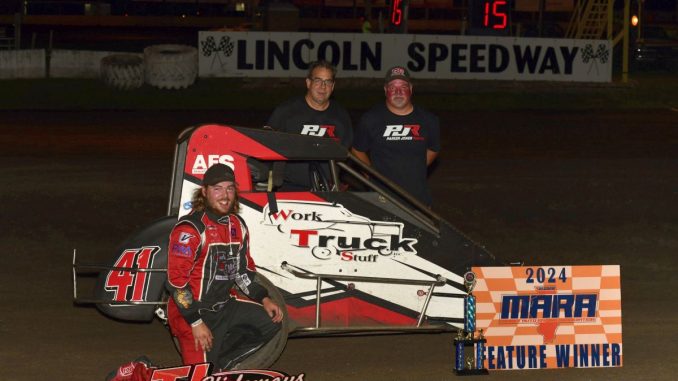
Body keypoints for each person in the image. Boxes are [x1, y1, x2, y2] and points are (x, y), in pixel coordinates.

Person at [166, 163, 283, 370]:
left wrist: (264, 298)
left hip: (223, 306)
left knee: (271, 320)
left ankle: (220, 366)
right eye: (217, 188)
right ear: (204, 192)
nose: (225, 195)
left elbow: (242, 272)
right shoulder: (190, 229)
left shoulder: (237, 225)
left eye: (230, 188)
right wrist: (195, 323)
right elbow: (177, 284)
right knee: (201, 375)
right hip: (191, 311)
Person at [351, 66, 440, 206]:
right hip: (381, 199)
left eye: (403, 86)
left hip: (418, 199)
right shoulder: (371, 119)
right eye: (393, 87)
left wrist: (415, 168)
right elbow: (357, 150)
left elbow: (433, 149)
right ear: (386, 90)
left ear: (411, 88)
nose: (398, 92)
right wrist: (371, 175)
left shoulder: (428, 120)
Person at [266, 60, 353, 190]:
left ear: (333, 86)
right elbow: (266, 143)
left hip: (327, 189)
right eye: (317, 81)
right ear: (308, 83)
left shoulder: (341, 115)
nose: (322, 87)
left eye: (327, 82)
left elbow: (344, 154)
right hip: (290, 188)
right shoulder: (287, 111)